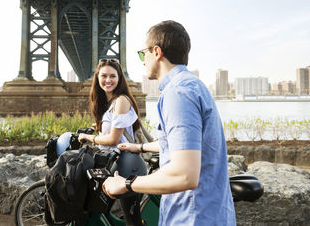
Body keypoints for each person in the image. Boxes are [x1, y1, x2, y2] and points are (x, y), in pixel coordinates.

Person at [102, 20, 236, 225]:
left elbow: (185, 175)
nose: (143, 60)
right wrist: (140, 146)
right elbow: (180, 144)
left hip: (192, 216)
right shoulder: (191, 85)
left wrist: (126, 184)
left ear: (156, 52)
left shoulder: (178, 93)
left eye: (142, 53)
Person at [77, 58, 145, 226]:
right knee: (98, 208)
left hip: (127, 164)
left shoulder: (121, 101)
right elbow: (111, 132)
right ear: (97, 78)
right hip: (114, 162)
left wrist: (89, 138)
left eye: (113, 76)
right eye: (104, 76)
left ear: (120, 78)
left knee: (132, 220)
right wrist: (96, 130)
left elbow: (113, 139)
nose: (108, 80)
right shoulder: (108, 103)